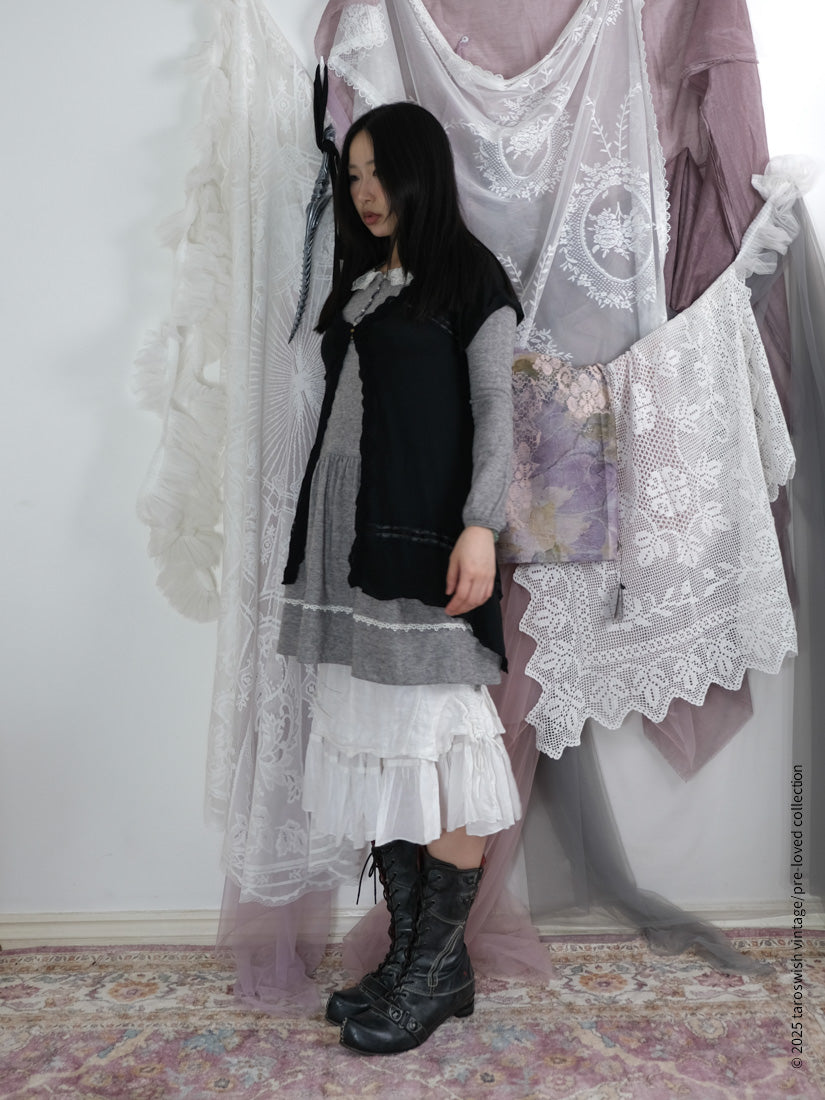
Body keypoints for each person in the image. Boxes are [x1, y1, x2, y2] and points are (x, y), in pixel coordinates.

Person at [277, 101, 523, 1055]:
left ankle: (433, 969)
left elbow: (495, 411)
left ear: (421, 169)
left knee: (437, 738)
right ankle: (425, 960)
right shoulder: (360, 280)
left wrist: (479, 527)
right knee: (381, 739)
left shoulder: (469, 276)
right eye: (352, 176)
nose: (365, 191)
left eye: (380, 171)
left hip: (424, 538)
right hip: (347, 541)